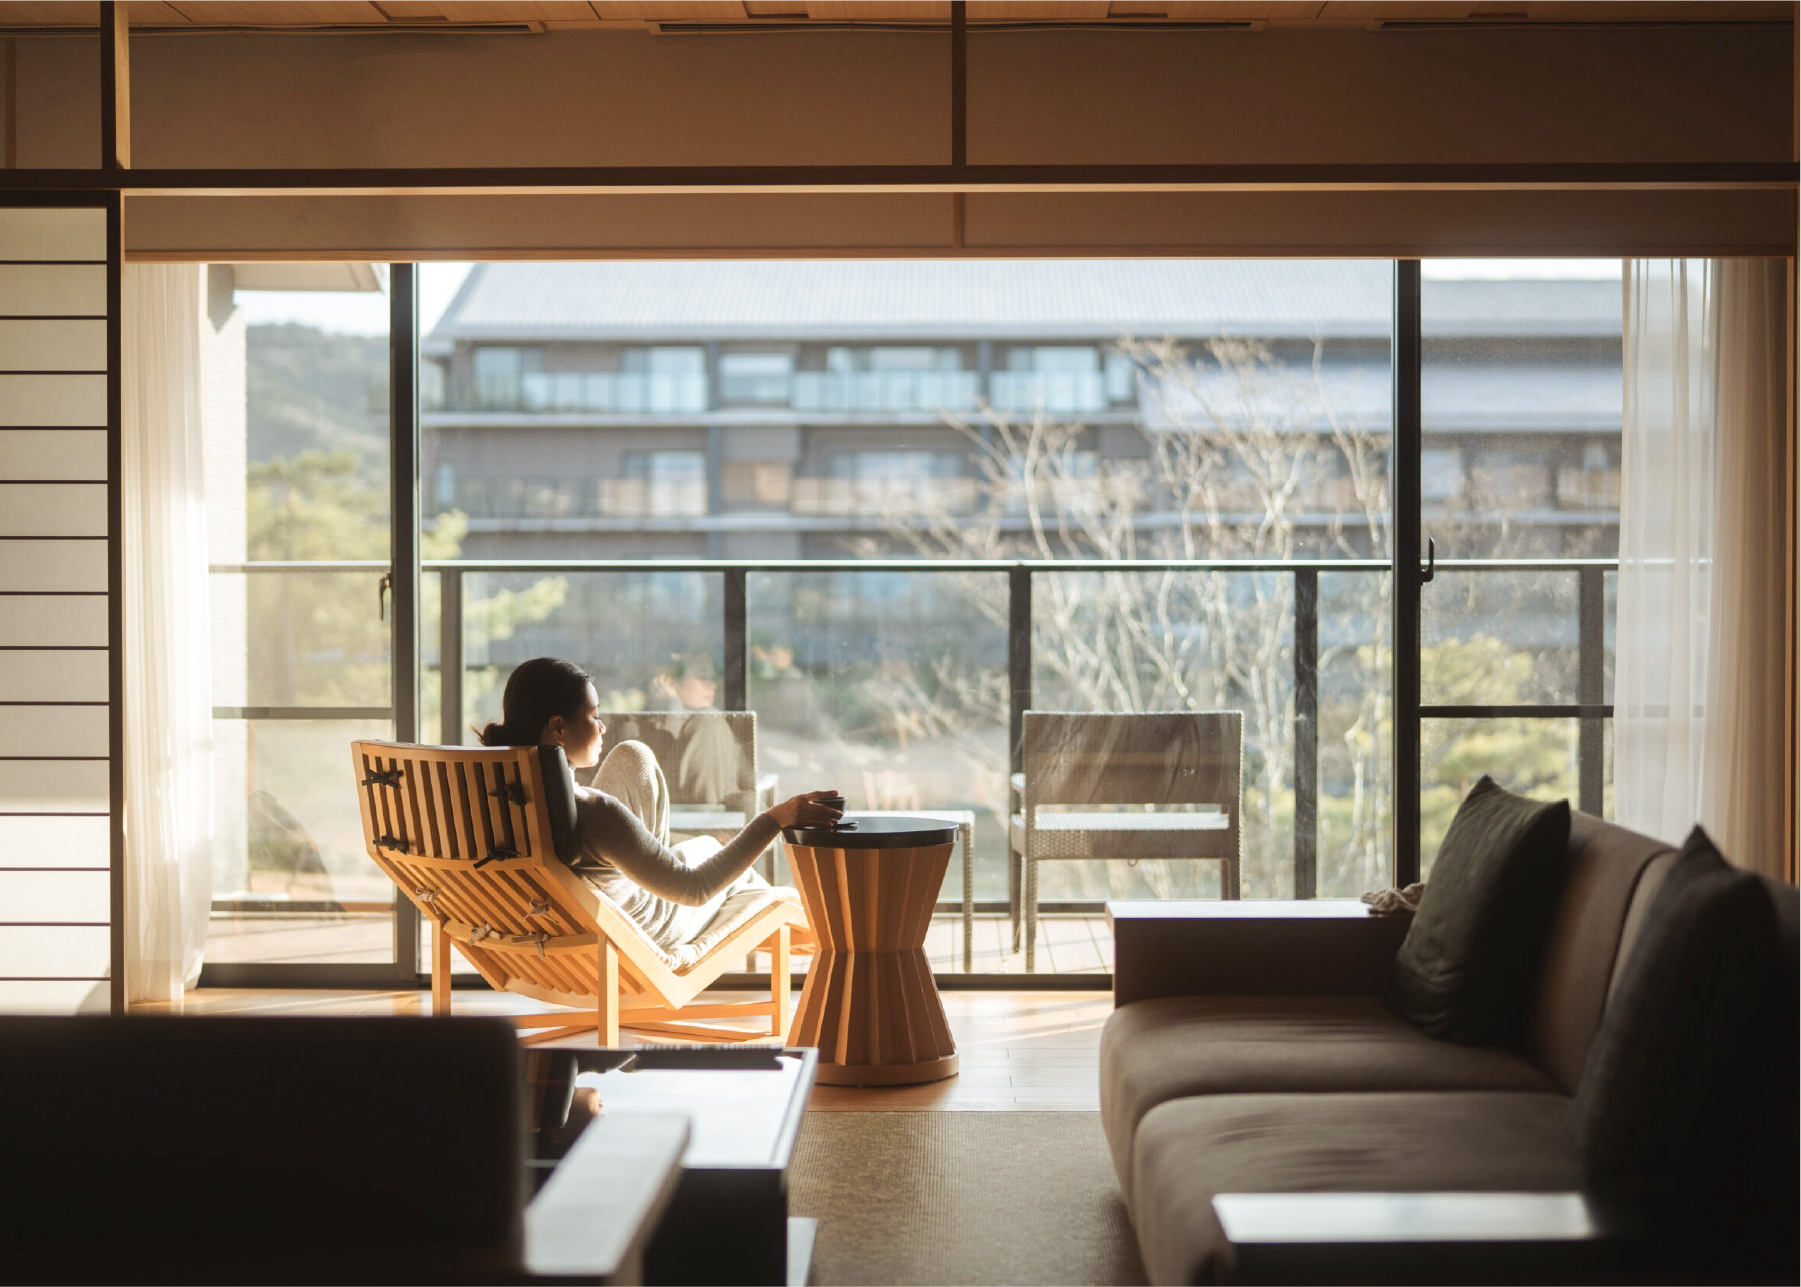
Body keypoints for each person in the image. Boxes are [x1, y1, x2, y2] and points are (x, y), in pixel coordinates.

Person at [478, 656, 841, 952]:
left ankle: (802, 918)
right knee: (746, 883)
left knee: (635, 758)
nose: (602, 728)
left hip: (560, 925)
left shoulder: (498, 799)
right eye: (594, 716)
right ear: (559, 728)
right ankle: (825, 929)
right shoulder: (594, 812)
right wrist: (776, 818)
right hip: (643, 926)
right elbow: (695, 889)